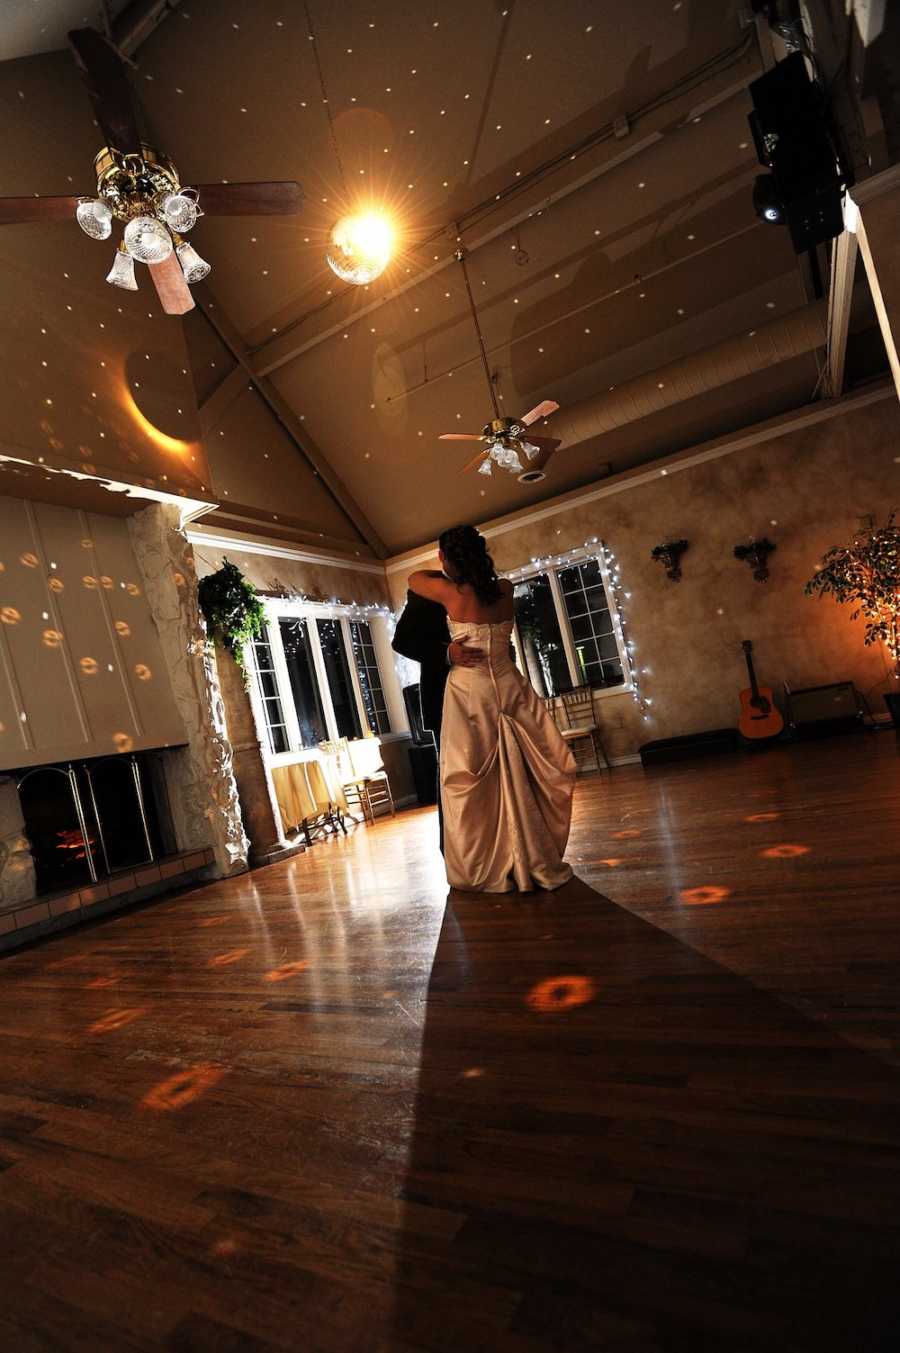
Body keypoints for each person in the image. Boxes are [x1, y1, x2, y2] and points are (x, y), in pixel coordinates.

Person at [407, 524, 576, 894]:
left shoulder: (449, 592)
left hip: (471, 691)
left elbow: (413, 577)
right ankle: (532, 855)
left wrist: (443, 566)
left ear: (447, 558)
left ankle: (489, 859)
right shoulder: (505, 589)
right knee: (522, 772)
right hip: (511, 684)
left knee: (470, 780)